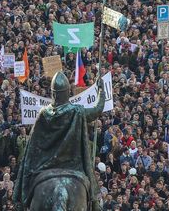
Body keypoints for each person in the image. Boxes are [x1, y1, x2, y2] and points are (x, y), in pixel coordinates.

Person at [14, 72, 105, 211]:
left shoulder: (43, 113)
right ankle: (94, 202)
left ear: (53, 94)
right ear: (68, 92)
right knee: (91, 196)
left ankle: (19, 203)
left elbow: (31, 148)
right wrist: (100, 90)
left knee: (22, 200)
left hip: (44, 170)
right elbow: (97, 109)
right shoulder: (77, 111)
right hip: (74, 169)